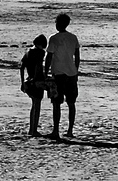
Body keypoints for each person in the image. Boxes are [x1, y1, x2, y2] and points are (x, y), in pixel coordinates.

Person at [44, 12, 81, 140]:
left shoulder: (54, 38)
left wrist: (45, 72)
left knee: (56, 102)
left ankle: (56, 130)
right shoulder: (73, 38)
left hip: (59, 73)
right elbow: (77, 56)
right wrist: (76, 70)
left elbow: (49, 56)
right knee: (71, 103)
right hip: (71, 73)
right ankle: (70, 130)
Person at [20, 34, 48, 137]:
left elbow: (22, 68)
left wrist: (22, 82)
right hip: (36, 81)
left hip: (28, 81)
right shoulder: (40, 52)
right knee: (37, 106)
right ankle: (34, 129)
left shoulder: (28, 52)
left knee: (34, 105)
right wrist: (39, 79)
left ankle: (32, 129)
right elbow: (38, 66)